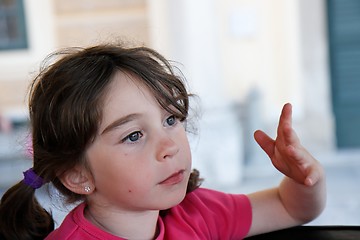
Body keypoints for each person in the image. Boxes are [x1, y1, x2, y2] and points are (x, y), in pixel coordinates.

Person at [0, 43, 326, 240]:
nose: (169, 146)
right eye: (134, 135)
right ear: (77, 175)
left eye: (170, 120)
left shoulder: (199, 214)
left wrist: (306, 179)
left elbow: (289, 206)